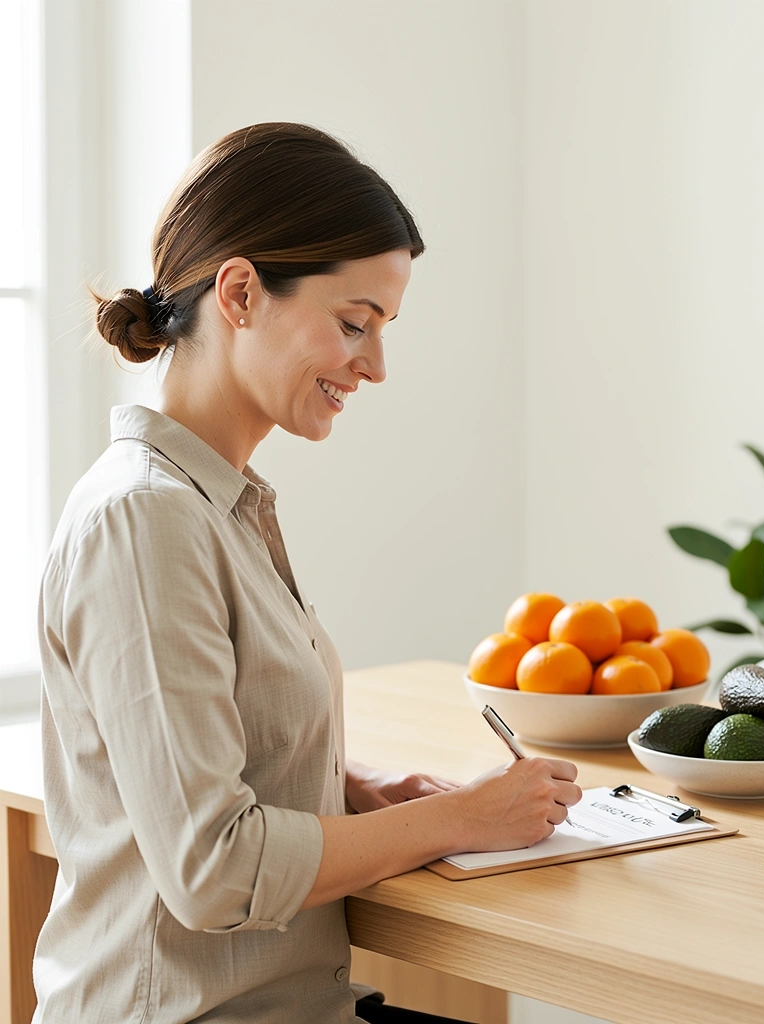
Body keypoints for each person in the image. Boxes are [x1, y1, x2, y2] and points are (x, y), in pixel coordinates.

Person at [35, 122, 581, 1024]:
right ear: (241, 293)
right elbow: (213, 868)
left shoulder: (218, 504)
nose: (374, 365)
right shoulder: (147, 521)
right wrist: (462, 819)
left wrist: (357, 788)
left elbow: (216, 746)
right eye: (353, 324)